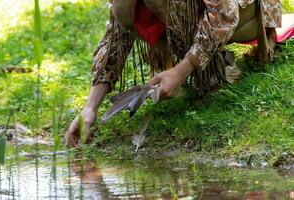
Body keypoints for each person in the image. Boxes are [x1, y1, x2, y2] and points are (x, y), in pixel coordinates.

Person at [65, 0, 282, 147]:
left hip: (246, 12)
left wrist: (180, 71)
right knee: (127, 8)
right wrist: (90, 108)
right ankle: (196, 56)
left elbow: (226, 15)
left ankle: (211, 65)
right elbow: (115, 40)